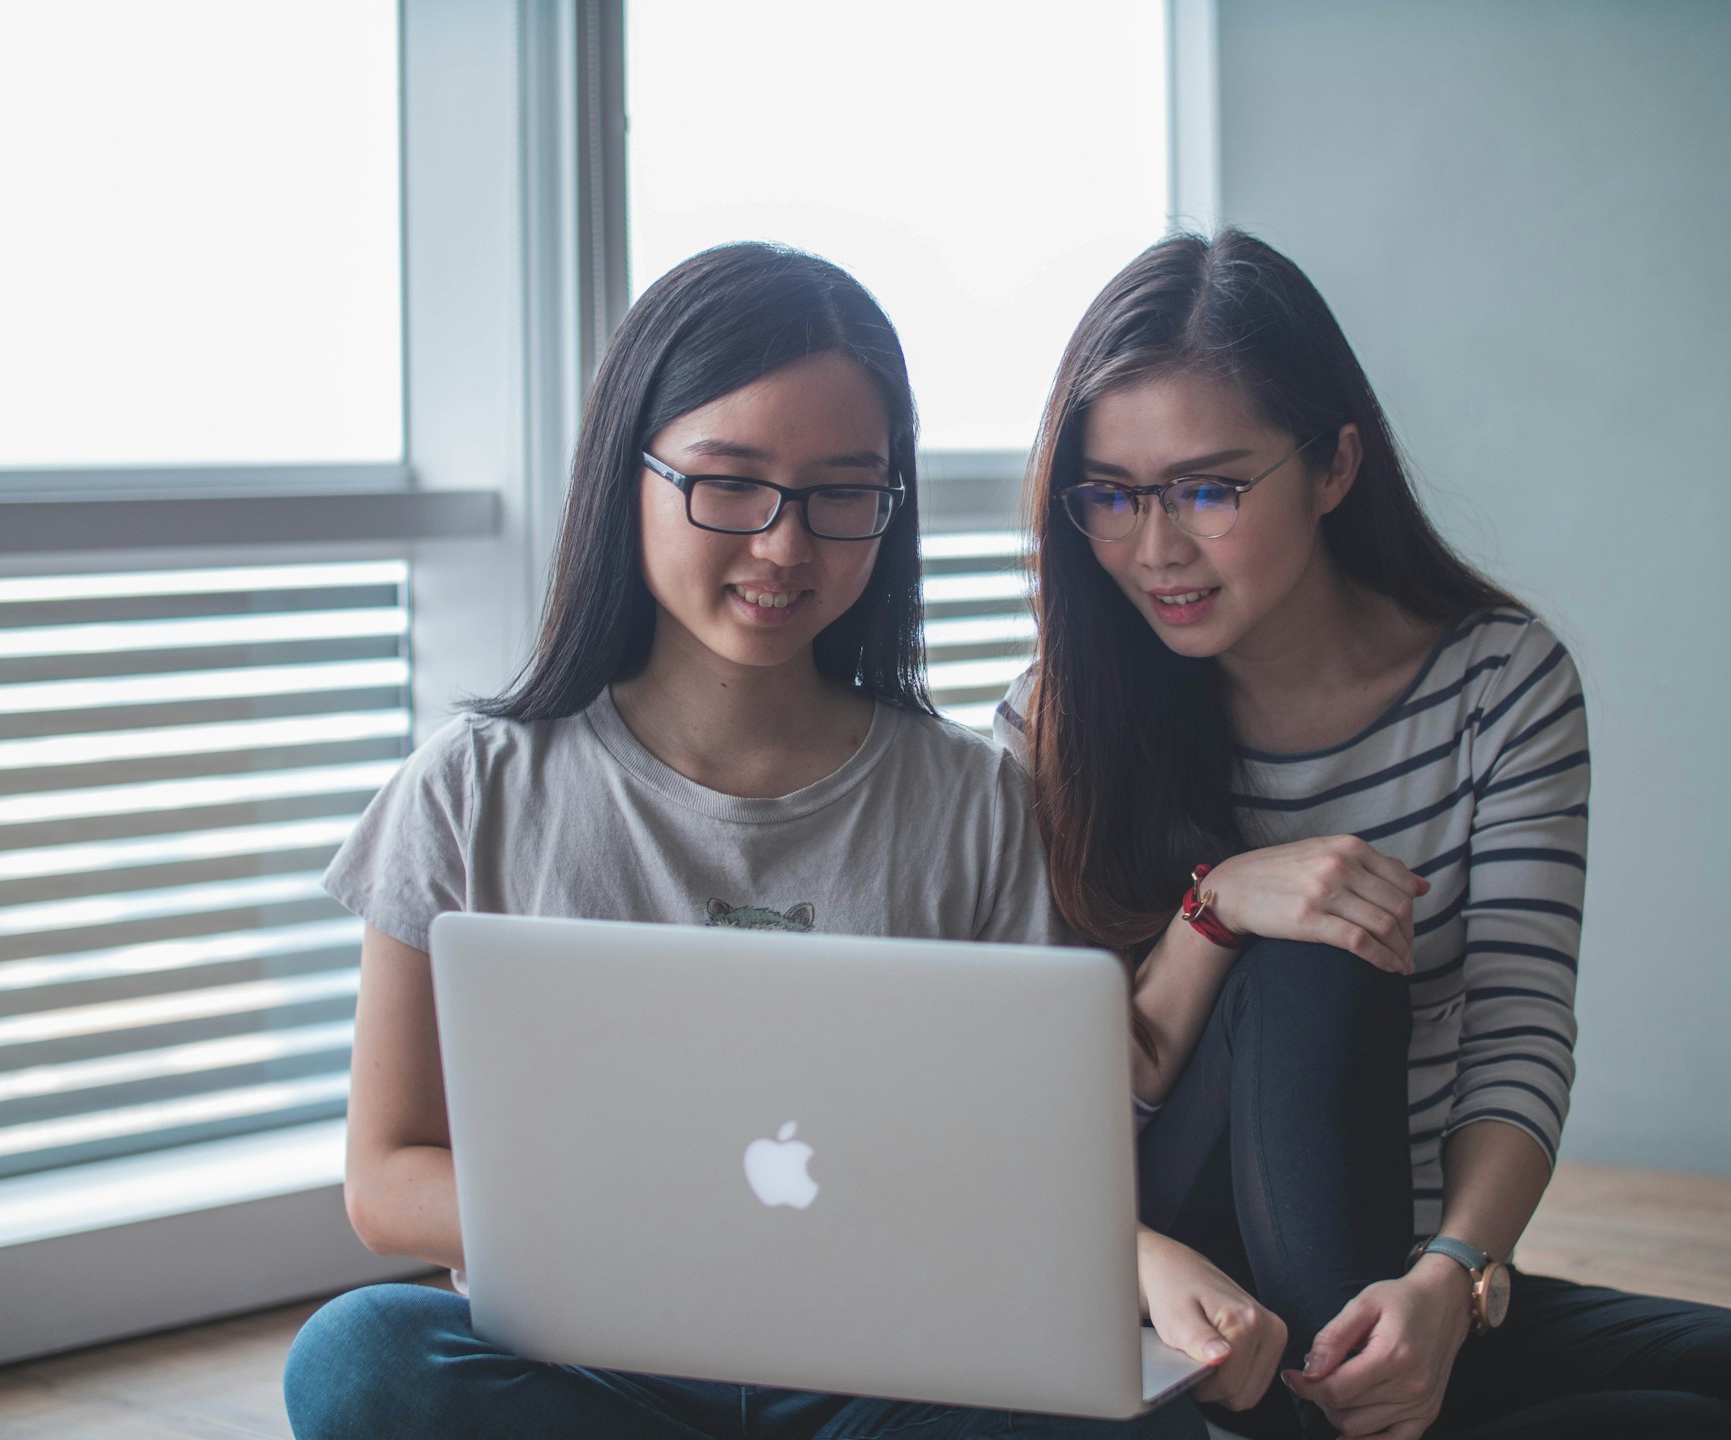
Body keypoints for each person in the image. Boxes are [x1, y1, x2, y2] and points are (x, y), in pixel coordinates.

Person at [282, 242, 1282, 1440]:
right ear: (629, 475)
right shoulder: (474, 789)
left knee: (1138, 1421)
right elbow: (388, 1183)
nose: (783, 545)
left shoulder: (973, 800)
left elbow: (1015, 1161)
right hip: (591, 1364)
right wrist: (695, 1208)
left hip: (891, 1370)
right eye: (730, 482)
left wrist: (1134, 1259)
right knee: (359, 1362)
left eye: (841, 493)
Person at [997, 228, 1731, 1439]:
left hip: (1393, 1258)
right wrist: (1217, 908)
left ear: (1334, 467)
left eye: (1209, 488)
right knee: (1320, 948)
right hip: (1177, 1285)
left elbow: (1521, 1031)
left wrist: (1452, 1277)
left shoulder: (1502, 685)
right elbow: (1046, 1104)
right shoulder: (1057, 717)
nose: (1154, 547)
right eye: (1112, 496)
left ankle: (1374, 1383)